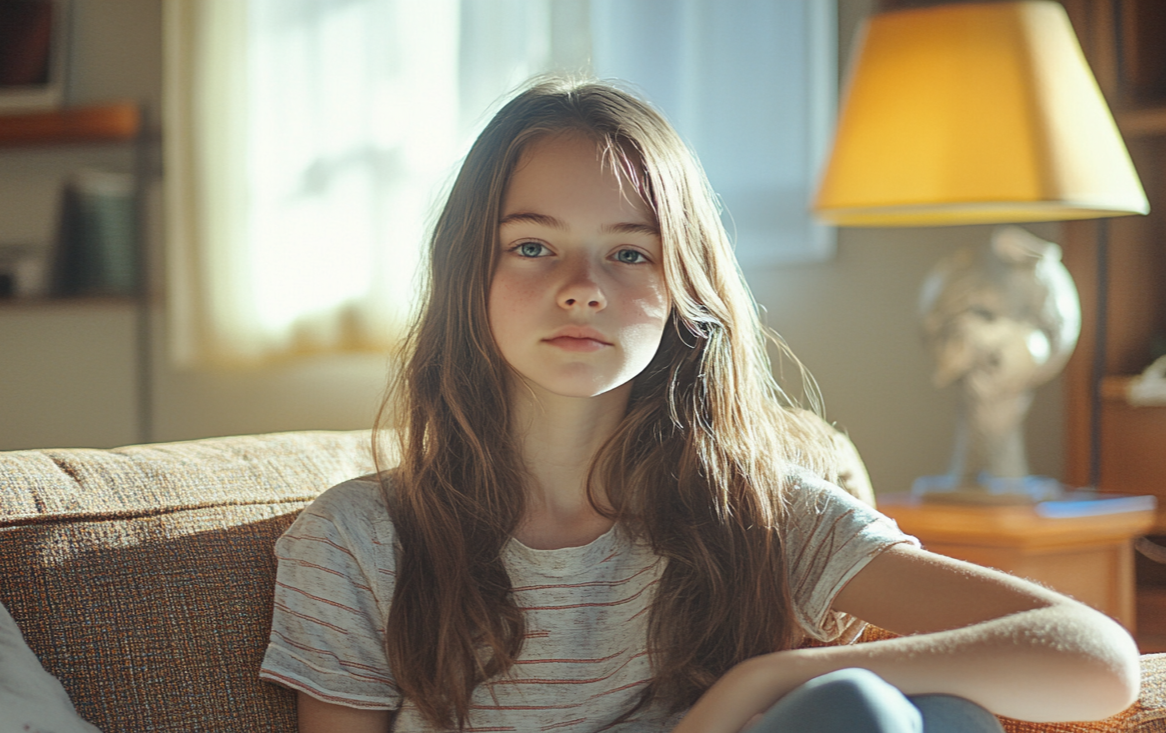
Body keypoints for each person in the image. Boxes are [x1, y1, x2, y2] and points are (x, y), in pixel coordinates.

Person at [258, 77, 1140, 733]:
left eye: (630, 254)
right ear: (468, 277)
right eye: (532, 246)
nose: (581, 288)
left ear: (685, 289)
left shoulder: (758, 511)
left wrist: (758, 685)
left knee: (919, 709)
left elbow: (1094, 657)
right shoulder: (359, 542)